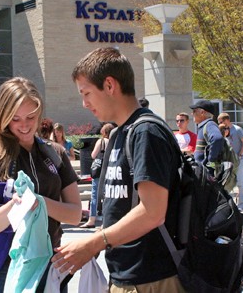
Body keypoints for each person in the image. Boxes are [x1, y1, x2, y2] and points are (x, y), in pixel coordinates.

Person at [54, 47, 186, 291]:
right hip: (126, 275)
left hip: (153, 278)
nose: (84, 104)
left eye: (86, 93)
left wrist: (94, 243)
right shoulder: (118, 134)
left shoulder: (146, 132)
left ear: (109, 85)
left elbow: (152, 212)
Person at [0, 77, 81, 291]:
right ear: (3, 118)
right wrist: (16, 205)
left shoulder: (55, 152)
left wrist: (39, 202)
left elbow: (75, 214)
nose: (24, 125)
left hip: (51, 261)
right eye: (15, 119)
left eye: (30, 117)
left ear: (39, 113)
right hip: (7, 267)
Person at [80, 123, 114, 229]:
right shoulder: (114, 142)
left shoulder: (101, 141)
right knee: (108, 196)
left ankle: (92, 220)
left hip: (99, 172)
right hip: (111, 171)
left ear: (103, 132)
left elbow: (93, 155)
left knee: (95, 196)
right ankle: (106, 220)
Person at [218, 112, 243, 210]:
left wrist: (240, 154)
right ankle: (229, 204)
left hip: (237, 160)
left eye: (221, 121)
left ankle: (242, 204)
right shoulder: (222, 130)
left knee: (240, 182)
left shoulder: (237, 129)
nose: (221, 124)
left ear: (227, 120)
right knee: (227, 183)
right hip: (227, 161)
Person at [191, 100, 224, 175]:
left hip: (207, 174)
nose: (192, 113)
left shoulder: (209, 125)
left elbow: (217, 138)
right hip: (202, 172)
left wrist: (210, 161)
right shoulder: (204, 126)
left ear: (202, 112)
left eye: (194, 111)